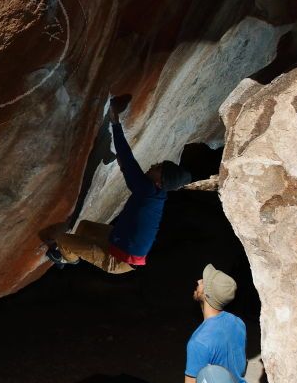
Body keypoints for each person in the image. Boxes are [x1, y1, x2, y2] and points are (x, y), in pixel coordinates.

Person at [45, 95, 191, 273]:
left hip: (118, 259)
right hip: (117, 239)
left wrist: (115, 121)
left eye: (158, 167)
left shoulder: (147, 191)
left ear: (160, 182)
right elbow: (126, 165)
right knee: (84, 227)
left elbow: (126, 159)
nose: (153, 165)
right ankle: (75, 250)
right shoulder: (156, 192)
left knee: (62, 240)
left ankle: (67, 259)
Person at [167, 264, 254, 383]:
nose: (199, 281)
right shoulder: (238, 322)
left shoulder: (199, 342)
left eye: (203, 282)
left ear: (207, 295)